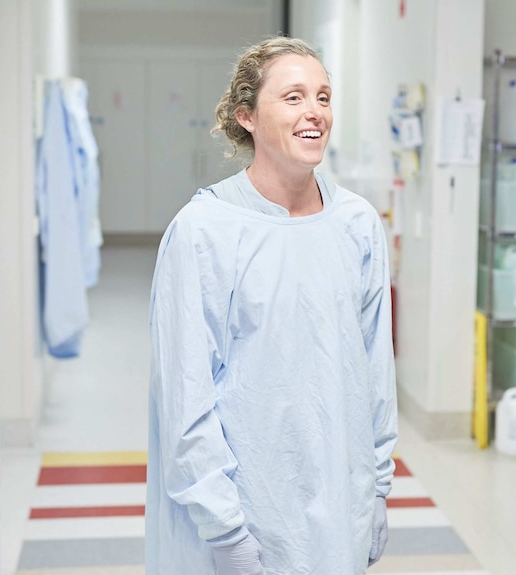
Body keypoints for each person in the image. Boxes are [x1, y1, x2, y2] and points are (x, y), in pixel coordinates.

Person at [145, 36, 398, 575]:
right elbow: (185, 397)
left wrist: (377, 486)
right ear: (247, 117)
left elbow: (374, 370)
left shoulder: (356, 224)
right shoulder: (204, 233)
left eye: (324, 97)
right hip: (246, 515)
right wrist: (225, 529)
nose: (315, 113)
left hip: (340, 505)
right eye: (294, 97)